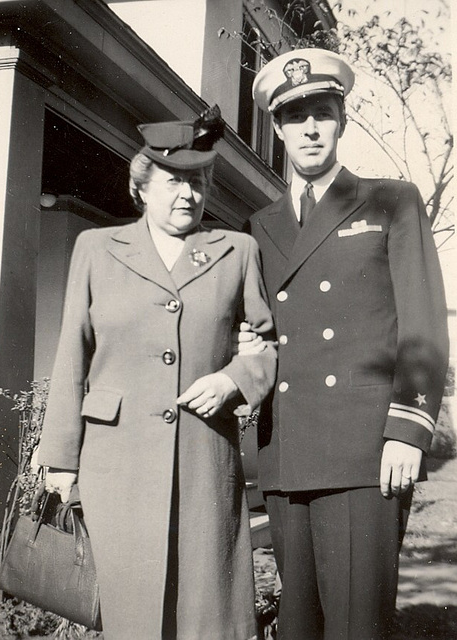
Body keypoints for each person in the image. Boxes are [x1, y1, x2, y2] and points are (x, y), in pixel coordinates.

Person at [37, 106, 277, 640]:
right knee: (131, 612)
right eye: (173, 181)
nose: (187, 194)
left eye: (198, 182)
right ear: (141, 187)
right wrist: (59, 459)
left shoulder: (236, 252)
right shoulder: (96, 249)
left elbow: (265, 345)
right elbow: (71, 353)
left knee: (207, 613)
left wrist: (233, 379)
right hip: (114, 463)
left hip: (202, 461)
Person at [240, 48, 449, 639]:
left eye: (323, 113)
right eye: (296, 116)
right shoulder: (260, 224)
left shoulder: (391, 200)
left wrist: (408, 429)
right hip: (285, 452)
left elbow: (424, 321)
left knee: (359, 625)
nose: (310, 128)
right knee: (298, 627)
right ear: (277, 128)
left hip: (364, 454)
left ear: (342, 121)